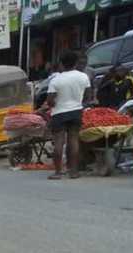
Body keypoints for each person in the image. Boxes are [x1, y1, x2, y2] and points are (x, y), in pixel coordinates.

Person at [43, 50, 89, 180]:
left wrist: (54, 104)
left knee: (59, 142)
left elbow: (50, 101)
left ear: (61, 64)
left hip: (59, 113)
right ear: (76, 62)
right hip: (76, 112)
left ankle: (58, 172)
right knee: (73, 141)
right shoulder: (83, 77)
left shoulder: (56, 80)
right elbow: (87, 96)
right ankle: (73, 171)